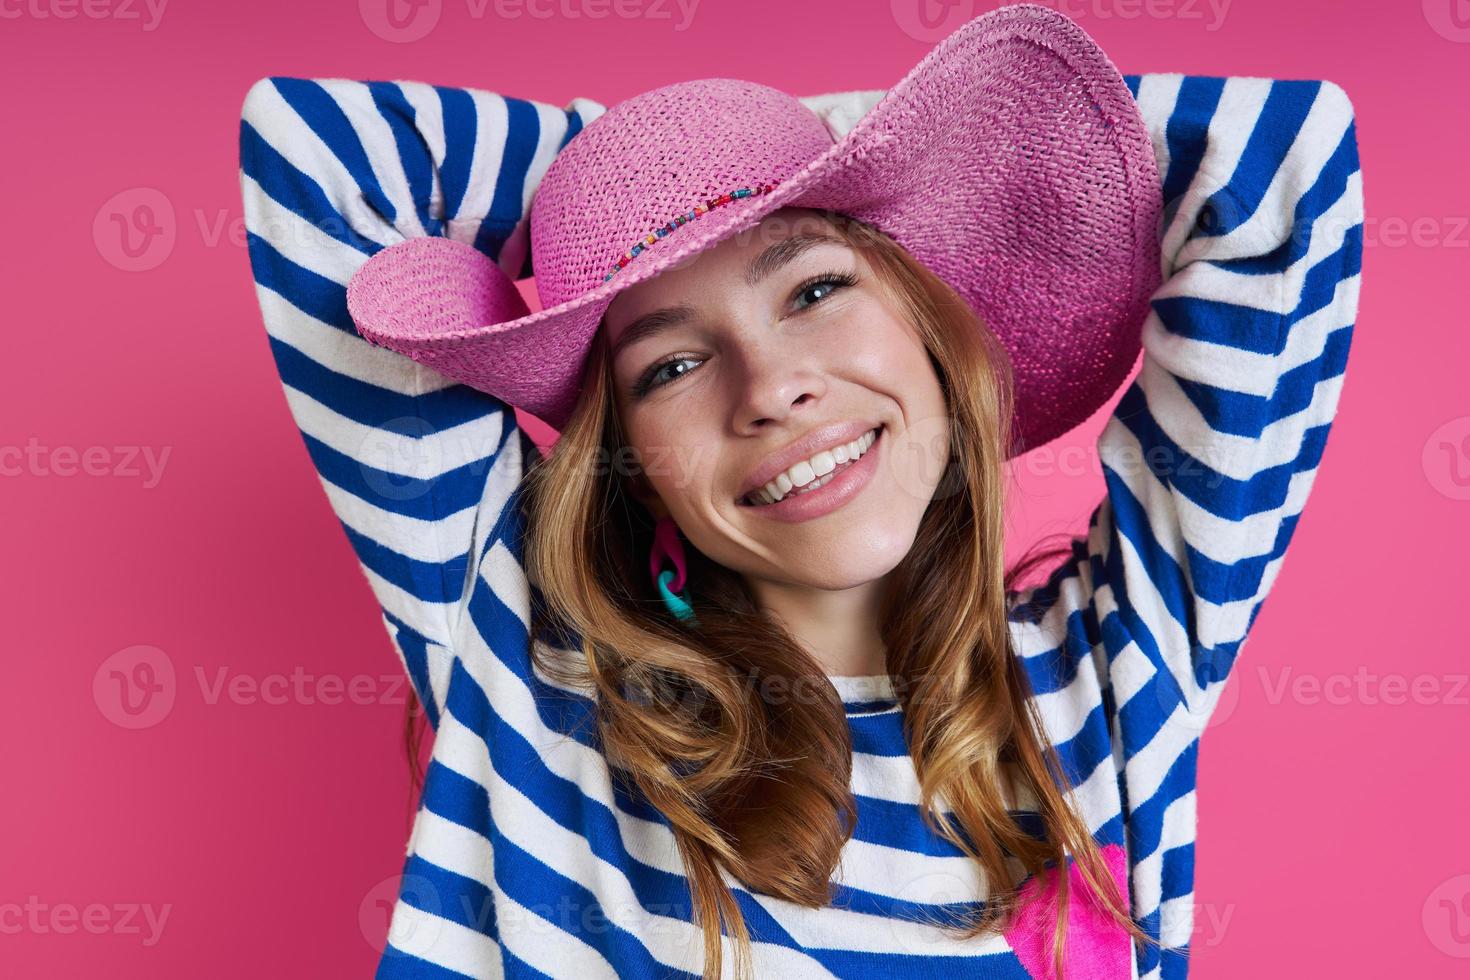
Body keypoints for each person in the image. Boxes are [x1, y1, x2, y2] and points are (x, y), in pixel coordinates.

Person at [238, 6, 1362, 979]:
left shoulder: (1118, 667)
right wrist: (624, 179)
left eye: (816, 285)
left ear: (931, 325)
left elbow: (1278, 162)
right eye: (670, 364)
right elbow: (313, 144)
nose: (772, 387)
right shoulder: (523, 659)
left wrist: (836, 151)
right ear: (624, 447)